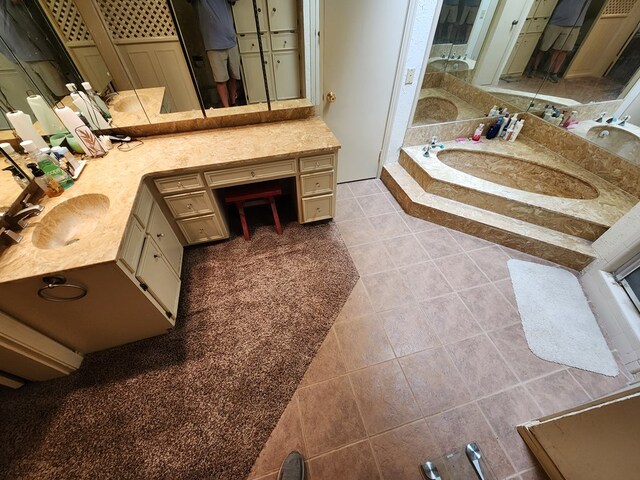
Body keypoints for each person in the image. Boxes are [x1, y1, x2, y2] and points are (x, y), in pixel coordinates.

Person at [527, 0, 592, 83]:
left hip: (574, 25)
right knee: (543, 47)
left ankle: (553, 73)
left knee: (563, 50)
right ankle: (534, 68)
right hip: (556, 22)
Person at [193, 0, 241, 107]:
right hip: (213, 44)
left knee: (234, 75)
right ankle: (226, 108)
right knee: (220, 80)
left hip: (231, 40)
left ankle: (233, 102)